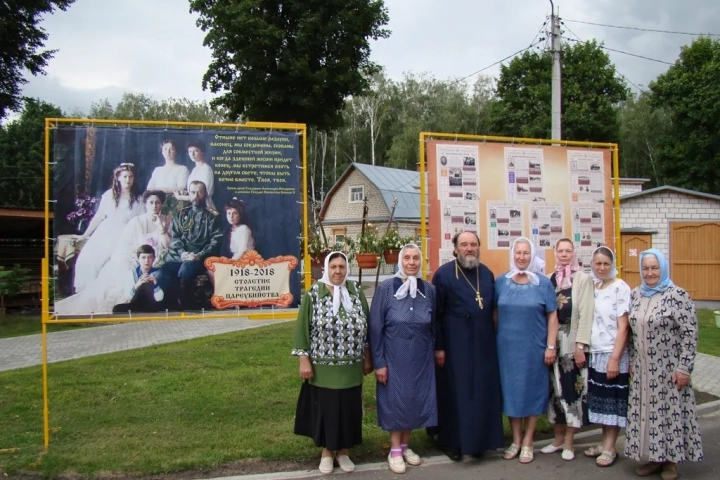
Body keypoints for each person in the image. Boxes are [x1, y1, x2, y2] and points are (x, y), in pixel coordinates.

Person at [625, 249, 703, 480]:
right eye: (646, 268)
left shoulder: (677, 295)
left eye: (654, 268)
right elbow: (631, 331)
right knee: (647, 415)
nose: (649, 273)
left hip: (668, 369)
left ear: (663, 268)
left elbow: (690, 333)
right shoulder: (636, 294)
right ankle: (654, 458)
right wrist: (631, 359)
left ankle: (671, 462)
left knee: (669, 415)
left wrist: (684, 368)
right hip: (642, 370)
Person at [292, 252, 372, 475]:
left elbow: (366, 326)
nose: (338, 271)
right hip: (323, 367)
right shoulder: (314, 294)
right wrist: (303, 359)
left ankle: (344, 451)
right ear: (327, 269)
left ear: (347, 269)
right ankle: (327, 452)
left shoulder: (355, 292)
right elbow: (302, 328)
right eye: (334, 266)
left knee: (348, 408)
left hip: (351, 366)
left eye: (342, 267)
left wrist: (367, 356)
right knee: (327, 409)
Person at [430, 231, 504, 461]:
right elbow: (436, 315)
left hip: (483, 341)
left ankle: (481, 440)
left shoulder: (487, 274)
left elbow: (492, 309)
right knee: (456, 391)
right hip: (455, 340)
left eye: (473, 244)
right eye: (464, 244)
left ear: (479, 248)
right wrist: (439, 347)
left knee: (482, 389)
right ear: (455, 248)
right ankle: (453, 441)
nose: (469, 248)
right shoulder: (443, 275)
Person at [370, 244, 437, 474]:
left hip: (420, 357)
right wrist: (379, 362)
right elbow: (375, 328)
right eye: (407, 258)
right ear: (400, 261)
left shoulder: (429, 290)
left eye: (415, 258)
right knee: (395, 400)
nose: (411, 262)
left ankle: (406, 445)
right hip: (393, 356)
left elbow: (434, 324)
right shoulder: (386, 289)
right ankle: (395, 449)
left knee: (414, 399)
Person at [495, 237, 558, 464]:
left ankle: (529, 441)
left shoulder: (543, 283)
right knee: (512, 394)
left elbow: (552, 316)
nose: (522, 257)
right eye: (518, 253)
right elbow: (494, 314)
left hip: (534, 348)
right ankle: (516, 440)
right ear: (513, 254)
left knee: (531, 392)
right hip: (507, 349)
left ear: (532, 256)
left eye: (526, 253)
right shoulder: (501, 281)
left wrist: (551, 346)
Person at [56, 189, 169, 315]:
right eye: (151, 202)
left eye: (157, 203)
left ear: (162, 204)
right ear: (146, 204)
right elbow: (124, 245)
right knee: (122, 269)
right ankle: (123, 303)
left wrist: (160, 227)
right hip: (137, 259)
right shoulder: (136, 222)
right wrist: (136, 259)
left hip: (159, 258)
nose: (154, 206)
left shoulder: (167, 220)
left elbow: (167, 245)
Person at [540, 238, 594, 461]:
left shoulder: (582, 279)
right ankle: (558, 438)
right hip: (553, 343)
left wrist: (580, 345)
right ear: (554, 253)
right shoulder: (548, 280)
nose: (564, 254)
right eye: (560, 250)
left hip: (572, 343)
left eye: (568, 250)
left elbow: (586, 313)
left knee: (572, 391)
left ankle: (570, 442)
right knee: (555, 391)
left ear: (574, 253)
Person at [584, 247, 631, 467]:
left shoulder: (620, 288)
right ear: (592, 264)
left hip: (613, 353)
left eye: (606, 263)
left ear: (612, 265)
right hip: (596, 353)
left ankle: (611, 448)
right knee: (602, 402)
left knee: (613, 402)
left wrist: (615, 359)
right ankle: (604, 443)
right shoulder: (594, 287)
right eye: (598, 263)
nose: (601, 268)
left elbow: (623, 328)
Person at [72, 163, 143, 293]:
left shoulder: (138, 199)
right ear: (118, 178)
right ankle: (88, 292)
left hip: (125, 236)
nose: (128, 180)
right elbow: (99, 216)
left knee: (116, 265)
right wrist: (85, 235)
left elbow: (140, 222)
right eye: (125, 176)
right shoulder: (109, 195)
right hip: (105, 233)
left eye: (131, 177)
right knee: (89, 260)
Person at [158, 180, 222, 310]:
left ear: (205, 194)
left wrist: (198, 256)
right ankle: (169, 304)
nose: (196, 195)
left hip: (200, 258)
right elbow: (175, 238)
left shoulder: (213, 216)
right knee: (163, 272)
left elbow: (215, 241)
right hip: (180, 256)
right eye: (193, 192)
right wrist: (183, 253)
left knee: (186, 270)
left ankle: (188, 304)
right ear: (189, 193)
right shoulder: (181, 214)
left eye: (200, 192)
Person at [112, 245, 164, 313]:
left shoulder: (159, 272)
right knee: (117, 309)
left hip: (152, 304)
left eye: (150, 257)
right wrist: (137, 285)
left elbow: (159, 298)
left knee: (148, 285)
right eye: (143, 257)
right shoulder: (132, 272)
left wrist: (155, 282)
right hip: (137, 303)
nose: (147, 261)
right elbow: (128, 297)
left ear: (154, 259)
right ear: (138, 259)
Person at [146, 139, 190, 217]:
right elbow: (149, 188)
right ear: (162, 151)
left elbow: (181, 187)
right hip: (157, 205)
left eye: (171, 149)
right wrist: (171, 189)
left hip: (175, 206)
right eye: (165, 149)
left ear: (176, 152)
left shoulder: (182, 169)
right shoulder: (157, 170)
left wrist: (157, 189)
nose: (168, 152)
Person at [174, 140, 216, 210]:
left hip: (205, 207)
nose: (192, 154)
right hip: (194, 206)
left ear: (202, 152)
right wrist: (185, 192)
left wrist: (180, 197)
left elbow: (202, 195)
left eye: (196, 151)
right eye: (190, 151)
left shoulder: (206, 169)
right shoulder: (194, 169)